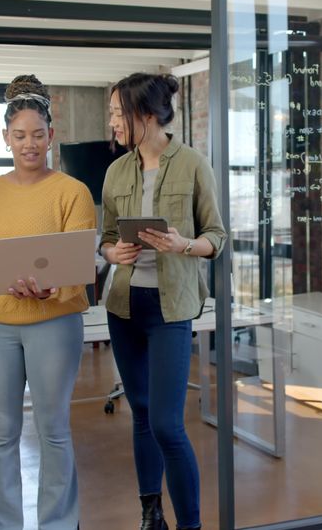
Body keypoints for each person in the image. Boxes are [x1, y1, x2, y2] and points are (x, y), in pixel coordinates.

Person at [0, 74, 96, 530]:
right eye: (19, 136)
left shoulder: (72, 193)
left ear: (51, 136)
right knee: (1, 432)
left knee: (53, 431)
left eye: (37, 135)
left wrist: (53, 288)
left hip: (54, 325)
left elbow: (80, 259)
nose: (28, 144)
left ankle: (58, 523)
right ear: (6, 139)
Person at [100, 73, 227, 530]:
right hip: (124, 305)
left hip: (171, 307)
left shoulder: (192, 163)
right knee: (142, 413)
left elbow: (217, 236)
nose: (112, 121)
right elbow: (107, 238)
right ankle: (150, 513)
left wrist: (183, 245)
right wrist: (112, 251)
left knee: (168, 425)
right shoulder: (116, 171)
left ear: (145, 115)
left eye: (118, 113)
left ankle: (189, 525)